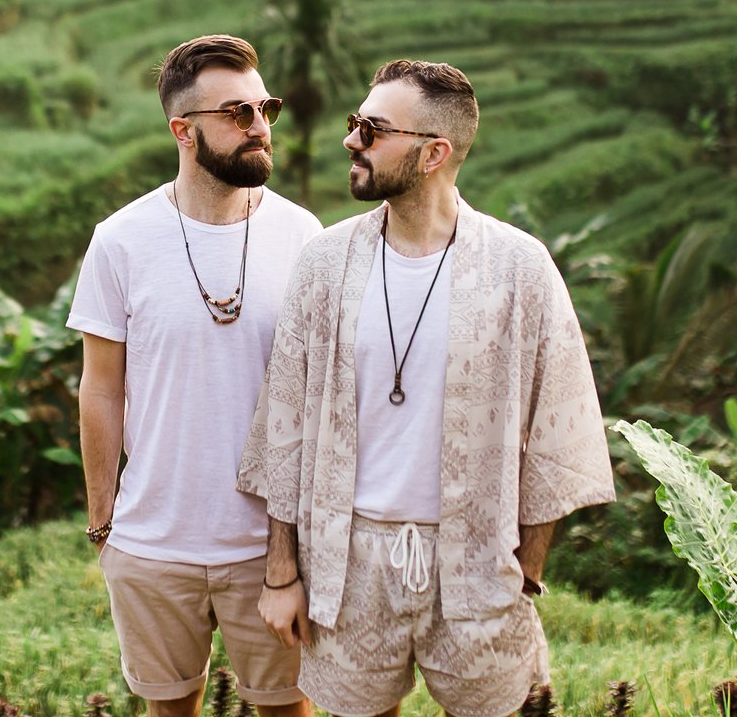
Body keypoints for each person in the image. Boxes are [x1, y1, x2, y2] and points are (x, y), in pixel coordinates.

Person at [239, 60, 614, 717]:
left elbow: (564, 424)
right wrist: (281, 573)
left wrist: (528, 568)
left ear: (434, 153)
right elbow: (283, 425)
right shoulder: (325, 264)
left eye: (373, 130)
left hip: (477, 560)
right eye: (355, 123)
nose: (351, 140)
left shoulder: (518, 268)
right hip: (346, 564)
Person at [73, 35, 322, 717]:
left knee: (288, 709)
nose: (260, 125)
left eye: (265, 108)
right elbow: (100, 386)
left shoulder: (303, 235)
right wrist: (103, 520)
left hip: (272, 552)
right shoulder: (120, 240)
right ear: (183, 131)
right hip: (153, 545)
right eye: (237, 113)